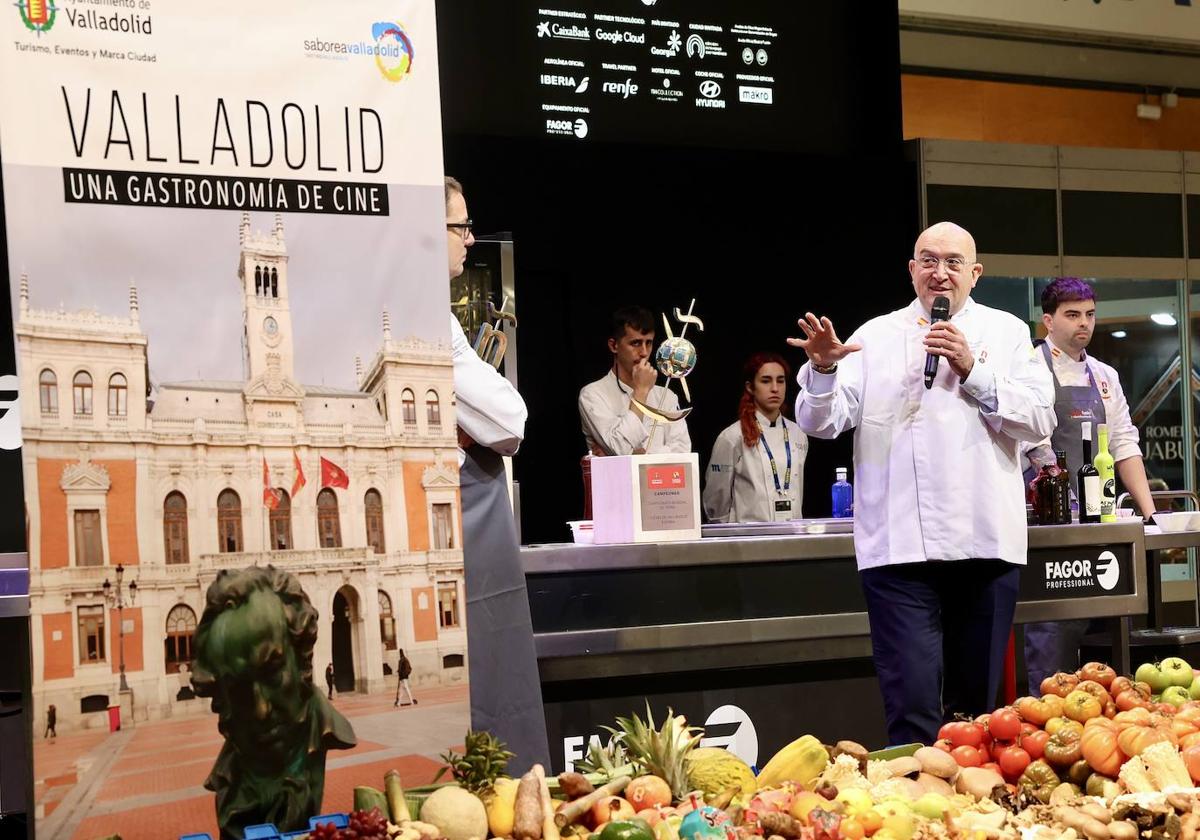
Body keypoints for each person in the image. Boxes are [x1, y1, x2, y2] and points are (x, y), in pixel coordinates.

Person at [789, 221, 1056, 746]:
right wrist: (821, 370)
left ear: (974, 274)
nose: (940, 272)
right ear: (912, 270)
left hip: (985, 545)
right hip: (898, 549)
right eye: (928, 260)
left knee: (976, 719)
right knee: (911, 709)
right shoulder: (874, 336)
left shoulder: (1005, 333)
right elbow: (822, 422)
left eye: (954, 262)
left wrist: (972, 367)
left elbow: (1041, 418)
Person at [446, 176, 551, 773]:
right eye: (459, 226)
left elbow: (502, 425)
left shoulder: (443, 321)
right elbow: (511, 417)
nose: (468, 238)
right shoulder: (427, 322)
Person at [1023, 278, 1156, 692]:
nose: (1085, 324)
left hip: (1101, 524)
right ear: (1048, 320)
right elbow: (1032, 443)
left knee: (1111, 637)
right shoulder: (1029, 369)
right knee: (1052, 637)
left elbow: (1123, 443)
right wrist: (1066, 495)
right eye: (1073, 315)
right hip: (1051, 526)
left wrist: (1149, 513)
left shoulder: (1104, 376)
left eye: (1090, 314)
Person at [192, 566, 356, 837]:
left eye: (271, 673)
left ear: (300, 655)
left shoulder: (320, 729)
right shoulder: (231, 776)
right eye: (240, 689)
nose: (262, 709)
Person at [704, 351, 809, 522]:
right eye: (766, 381)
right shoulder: (732, 437)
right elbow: (716, 498)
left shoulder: (798, 433)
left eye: (780, 381)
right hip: (747, 539)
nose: (775, 388)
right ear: (750, 387)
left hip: (793, 535)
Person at [578, 306, 691, 456]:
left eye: (648, 343)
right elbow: (619, 447)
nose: (644, 352)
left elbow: (682, 453)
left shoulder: (667, 396)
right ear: (614, 345)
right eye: (636, 343)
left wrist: (638, 455)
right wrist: (641, 392)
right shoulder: (592, 395)